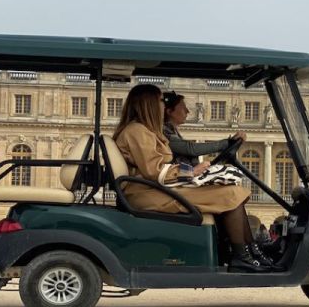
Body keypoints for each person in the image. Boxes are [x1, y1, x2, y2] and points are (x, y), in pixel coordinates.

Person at [113, 83, 272, 272]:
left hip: (155, 188)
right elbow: (153, 170)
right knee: (230, 194)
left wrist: (194, 172)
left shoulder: (142, 130)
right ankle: (242, 256)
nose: (163, 106)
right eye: (160, 101)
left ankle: (249, 252)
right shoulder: (137, 131)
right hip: (148, 193)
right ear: (149, 105)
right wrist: (192, 172)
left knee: (231, 191)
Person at [162, 91, 247, 166]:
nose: (187, 111)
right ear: (169, 112)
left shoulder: (171, 130)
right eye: (183, 108)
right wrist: (226, 143)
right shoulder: (163, 131)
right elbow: (191, 149)